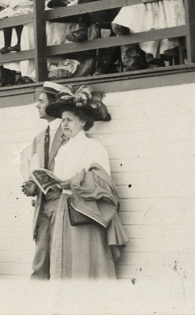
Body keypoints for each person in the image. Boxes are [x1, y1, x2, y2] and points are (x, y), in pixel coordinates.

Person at [43, 87, 128, 278]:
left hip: (86, 209)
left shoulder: (93, 147)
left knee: (86, 256)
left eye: (69, 120)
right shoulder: (63, 149)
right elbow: (59, 178)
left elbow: (104, 182)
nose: (64, 124)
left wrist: (75, 183)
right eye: (63, 120)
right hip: (65, 207)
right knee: (66, 256)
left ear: (82, 122)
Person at [21, 82, 73, 279]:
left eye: (41, 102)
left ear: (53, 104)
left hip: (62, 202)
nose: (37, 106)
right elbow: (35, 168)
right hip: (43, 204)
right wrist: (32, 184)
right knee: (40, 257)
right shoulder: (39, 137)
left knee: (61, 256)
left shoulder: (69, 131)